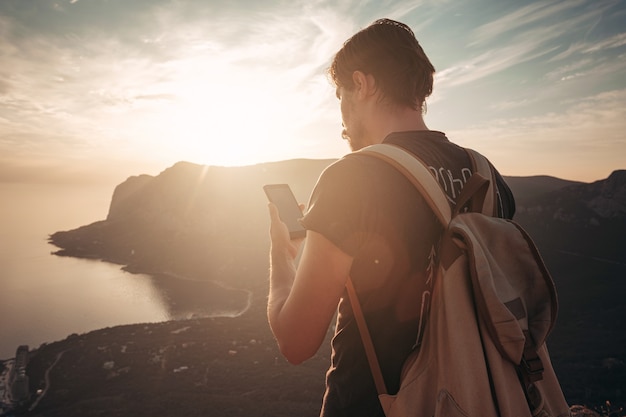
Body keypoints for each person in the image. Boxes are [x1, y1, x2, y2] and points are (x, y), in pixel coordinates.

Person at [267, 18, 516, 417]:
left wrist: (282, 258)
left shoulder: (351, 178)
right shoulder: (487, 176)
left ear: (362, 84)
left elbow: (295, 341)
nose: (343, 117)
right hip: (475, 401)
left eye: (341, 95)